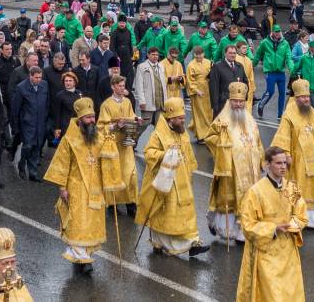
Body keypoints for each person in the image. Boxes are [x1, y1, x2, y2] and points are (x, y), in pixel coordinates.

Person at [44, 97, 120, 272]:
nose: (92, 120)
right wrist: (62, 187)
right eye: (88, 118)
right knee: (79, 222)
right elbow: (61, 164)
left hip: (96, 186)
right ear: (80, 120)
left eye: (93, 117)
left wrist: (110, 144)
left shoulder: (98, 136)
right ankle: (80, 258)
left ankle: (86, 255)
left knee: (92, 222)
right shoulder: (69, 139)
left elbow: (106, 158)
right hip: (76, 187)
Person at [135, 97, 210, 258]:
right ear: (170, 118)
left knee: (185, 213)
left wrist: (189, 172)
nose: (183, 121)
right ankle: (159, 243)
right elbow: (149, 154)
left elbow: (188, 155)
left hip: (182, 180)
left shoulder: (181, 132)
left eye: (183, 118)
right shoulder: (158, 135)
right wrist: (166, 154)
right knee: (165, 214)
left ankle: (192, 243)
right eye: (180, 118)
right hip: (165, 180)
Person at [236, 147, 308, 302]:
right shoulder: (255, 192)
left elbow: (301, 214)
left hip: (288, 250)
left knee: (290, 292)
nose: (283, 167)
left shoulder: (292, 187)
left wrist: (292, 224)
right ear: (267, 164)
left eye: (285, 163)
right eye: (278, 163)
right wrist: (274, 228)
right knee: (272, 295)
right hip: (266, 252)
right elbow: (247, 225)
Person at [202, 83, 264, 245]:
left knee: (247, 199)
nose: (238, 104)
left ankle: (243, 231)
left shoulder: (250, 120)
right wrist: (223, 144)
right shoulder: (222, 120)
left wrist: (262, 160)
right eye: (235, 101)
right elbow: (209, 138)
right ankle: (224, 228)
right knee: (231, 200)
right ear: (230, 101)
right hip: (230, 169)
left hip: (250, 170)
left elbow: (257, 141)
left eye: (241, 101)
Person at [270, 79, 314, 230]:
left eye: (307, 96)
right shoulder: (289, 114)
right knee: (297, 190)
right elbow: (283, 137)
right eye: (302, 97)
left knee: (313, 189)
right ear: (296, 97)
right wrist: (286, 155)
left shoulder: (313, 112)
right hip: (297, 161)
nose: (306, 99)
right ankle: (297, 219)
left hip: (313, 159)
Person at [97, 75, 139, 215]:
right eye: (120, 86)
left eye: (123, 86)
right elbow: (101, 126)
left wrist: (136, 120)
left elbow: (131, 116)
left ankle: (131, 204)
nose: (122, 88)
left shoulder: (127, 102)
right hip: (113, 145)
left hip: (126, 144)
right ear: (113, 87)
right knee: (114, 174)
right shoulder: (106, 105)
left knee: (130, 175)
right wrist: (115, 125)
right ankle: (112, 205)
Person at [11, 67, 49, 182]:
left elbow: (47, 103)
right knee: (28, 146)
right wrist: (15, 126)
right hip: (27, 123)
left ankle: (33, 173)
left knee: (37, 147)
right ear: (30, 76)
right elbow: (15, 108)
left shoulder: (44, 85)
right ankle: (21, 166)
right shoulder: (21, 88)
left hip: (40, 122)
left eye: (40, 77)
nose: (39, 79)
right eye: (36, 77)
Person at [253, 25, 294, 119]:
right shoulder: (265, 42)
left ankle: (280, 114)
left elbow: (289, 58)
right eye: (276, 31)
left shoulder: (285, 43)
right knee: (270, 91)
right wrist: (253, 64)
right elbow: (258, 54)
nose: (278, 33)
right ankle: (261, 104)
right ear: (272, 32)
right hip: (270, 71)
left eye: (279, 31)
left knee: (282, 93)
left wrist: (292, 69)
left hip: (281, 72)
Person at [209, 45, 249, 117]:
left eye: (234, 53)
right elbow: (214, 88)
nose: (233, 55)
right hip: (223, 104)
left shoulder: (240, 66)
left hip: (237, 104)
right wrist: (215, 106)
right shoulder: (217, 67)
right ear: (225, 54)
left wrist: (244, 98)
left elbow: (245, 83)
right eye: (230, 53)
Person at [185, 46, 212, 143]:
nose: (199, 57)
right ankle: (201, 136)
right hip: (197, 93)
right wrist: (196, 91)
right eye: (197, 55)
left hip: (208, 90)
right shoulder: (191, 65)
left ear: (203, 54)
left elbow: (212, 75)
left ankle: (208, 133)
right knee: (199, 114)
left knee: (208, 113)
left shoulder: (208, 62)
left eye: (200, 55)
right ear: (194, 55)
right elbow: (189, 81)